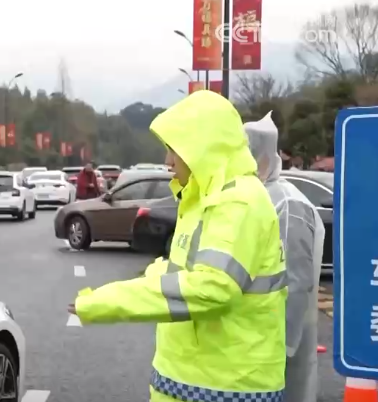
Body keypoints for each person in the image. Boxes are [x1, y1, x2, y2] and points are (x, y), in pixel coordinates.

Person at [68, 90, 288, 402]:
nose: (168, 161)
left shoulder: (238, 201)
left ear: (204, 147)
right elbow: (181, 272)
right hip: (193, 379)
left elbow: (211, 287)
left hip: (226, 385)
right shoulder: (203, 198)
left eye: (175, 149)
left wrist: (106, 302)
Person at [245, 112, 324, 402]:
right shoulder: (252, 196)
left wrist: (283, 345)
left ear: (264, 158)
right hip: (253, 339)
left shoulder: (287, 203)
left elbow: (297, 281)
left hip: (280, 341)